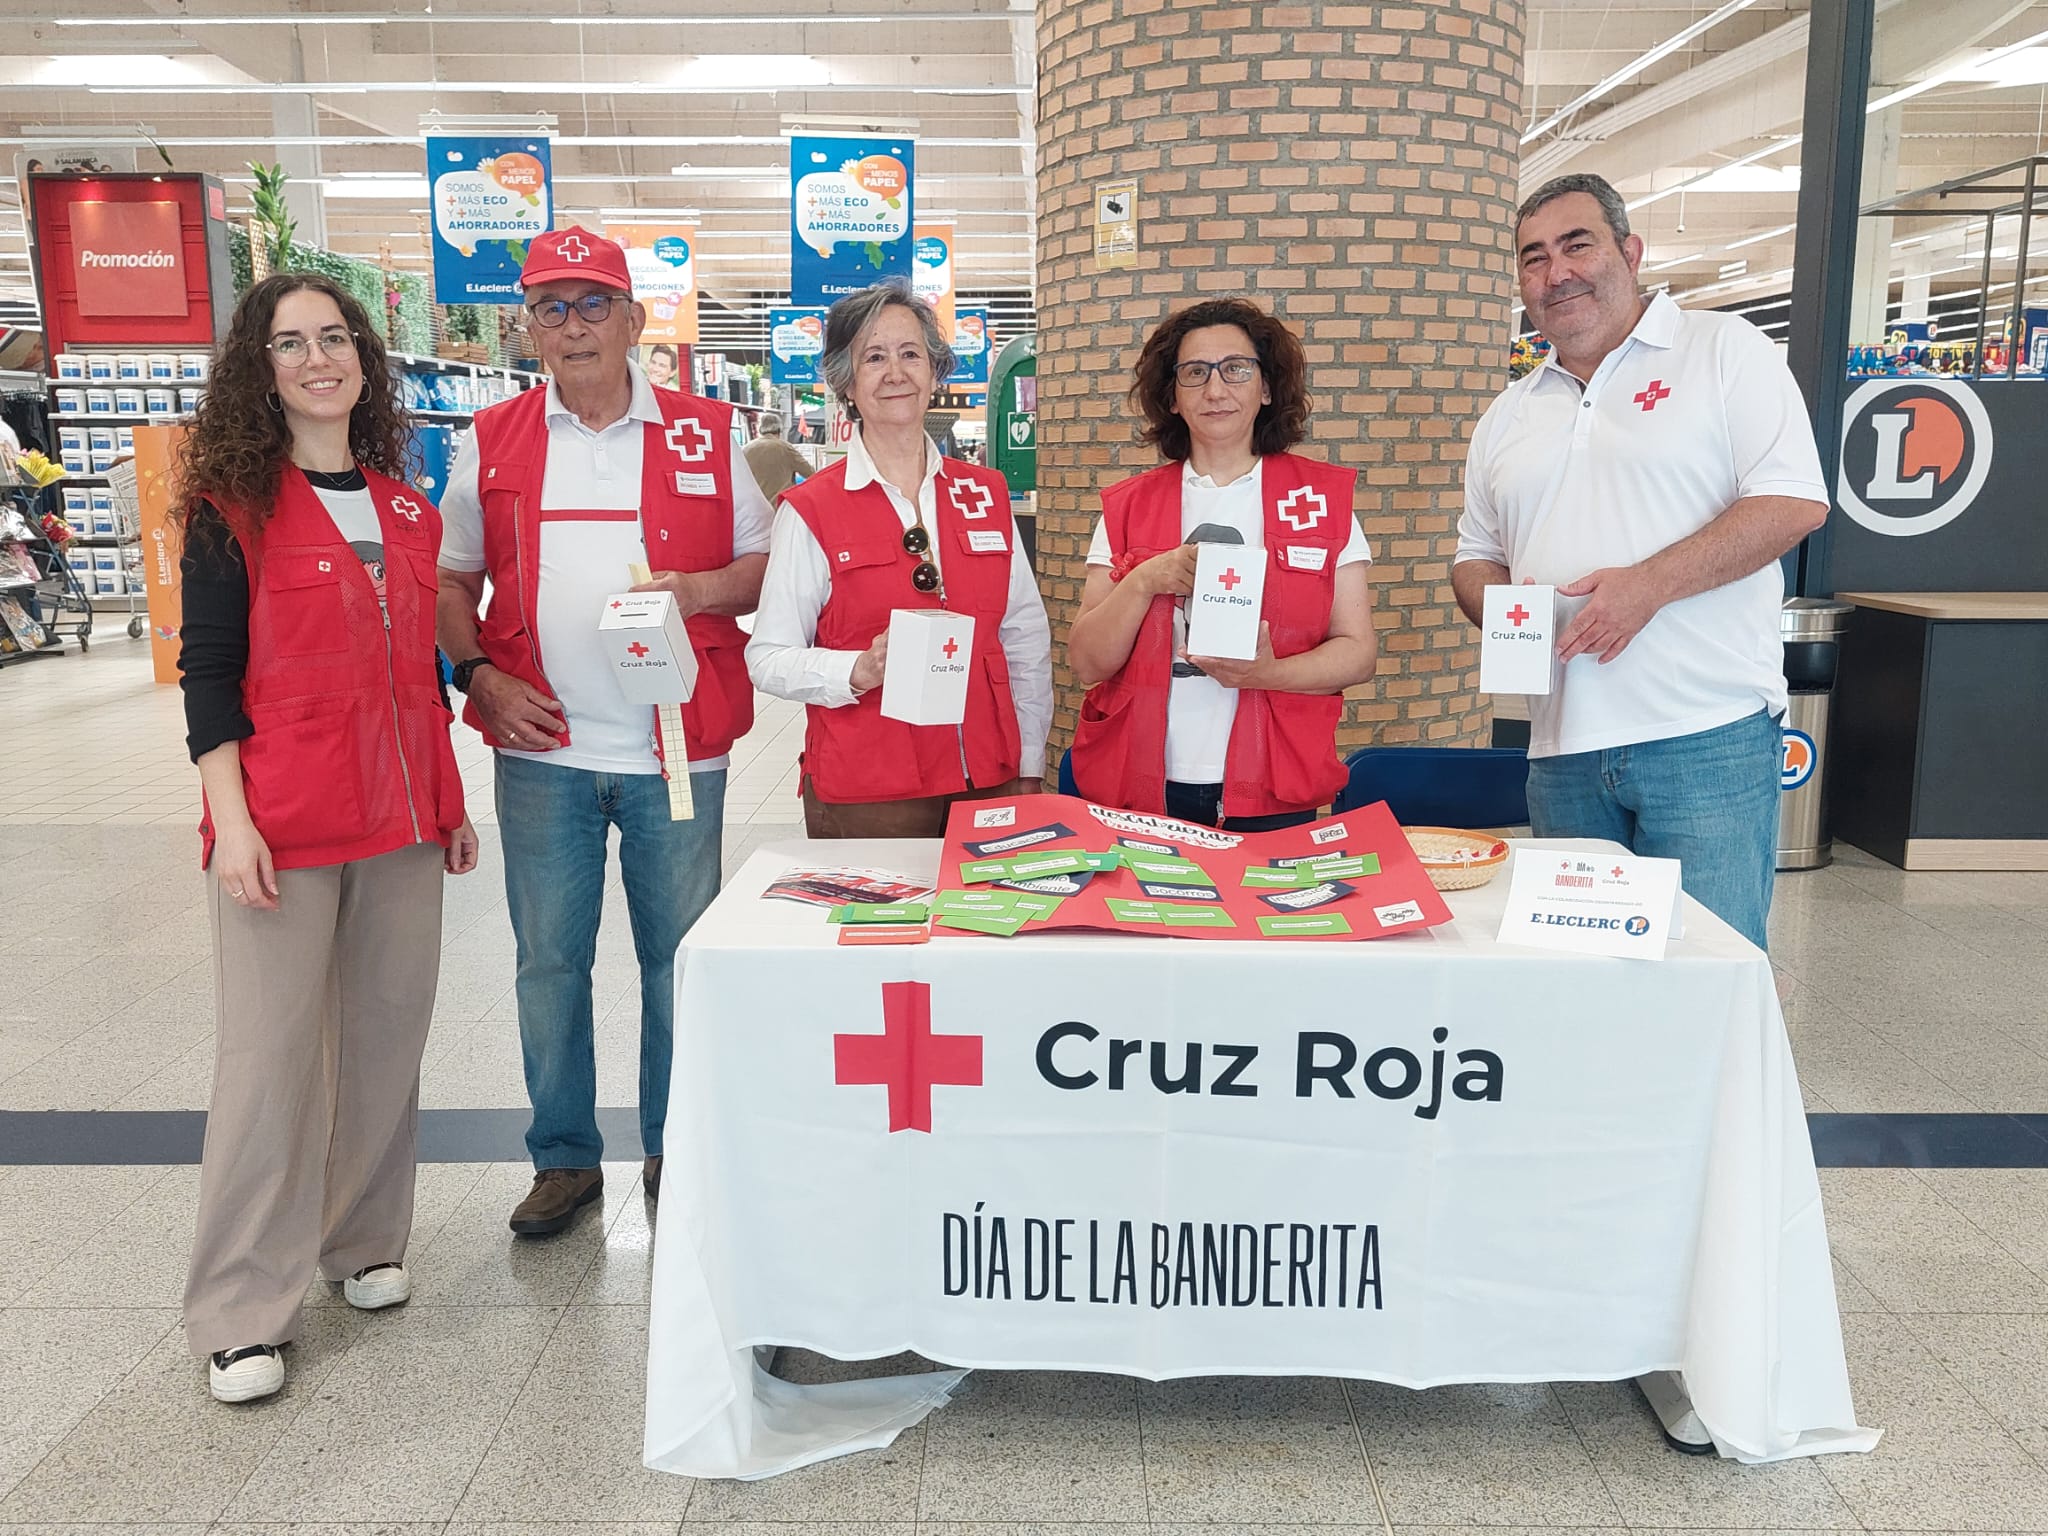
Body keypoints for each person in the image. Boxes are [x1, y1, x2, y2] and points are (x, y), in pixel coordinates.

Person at [174, 272, 479, 1404]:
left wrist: (446, 805)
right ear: (260, 368)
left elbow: (420, 679)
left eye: (335, 338)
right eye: (291, 343)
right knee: (267, 1063)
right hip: (283, 830)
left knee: (385, 1045)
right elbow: (209, 681)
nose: (318, 359)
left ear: (363, 359)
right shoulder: (229, 507)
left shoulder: (407, 508)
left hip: (401, 825)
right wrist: (232, 823)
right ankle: (241, 1306)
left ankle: (361, 1244)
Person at [436, 230, 772, 1234]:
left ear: (634, 320)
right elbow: (452, 578)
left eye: (594, 305)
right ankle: (565, 1159)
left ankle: (675, 1145)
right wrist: (479, 677)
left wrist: (701, 587)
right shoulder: (489, 438)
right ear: (527, 327)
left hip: (677, 746)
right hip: (543, 753)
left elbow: (767, 564)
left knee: (678, 961)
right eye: (551, 307)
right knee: (549, 962)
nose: (573, 326)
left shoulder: (705, 433)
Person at [1452, 173, 1829, 952]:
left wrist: (1646, 589)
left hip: (1705, 736)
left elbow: (1793, 502)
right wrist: (1500, 609)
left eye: (1576, 245)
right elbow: (1475, 556)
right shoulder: (1509, 412)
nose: (1556, 273)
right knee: (1577, 976)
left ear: (1630, 251)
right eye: (1533, 258)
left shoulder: (1723, 351)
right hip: (1561, 746)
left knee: (1709, 968)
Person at [747, 279, 1051, 836]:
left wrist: (1029, 762)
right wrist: (858, 668)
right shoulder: (810, 509)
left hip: (989, 777)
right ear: (846, 381)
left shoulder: (984, 494)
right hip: (870, 787)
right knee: (885, 928)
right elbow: (767, 657)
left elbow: (1023, 637)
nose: (895, 372)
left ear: (935, 372)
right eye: (874, 357)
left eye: (911, 354)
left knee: (990, 924)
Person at [1066, 298, 1379, 830]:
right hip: (1142, 781)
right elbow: (1087, 662)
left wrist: (1270, 672)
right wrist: (1144, 581)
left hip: (1275, 779)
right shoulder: (1129, 507)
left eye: (1236, 370)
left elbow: (1357, 653)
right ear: (1171, 397)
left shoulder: (1319, 501)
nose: (1215, 390)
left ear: (1266, 387)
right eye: (1194, 373)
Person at [742, 411, 813, 501]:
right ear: (779, 430)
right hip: (779, 508)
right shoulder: (785, 448)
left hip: (754, 509)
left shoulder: (746, 449)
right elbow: (810, 473)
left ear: (760, 429)